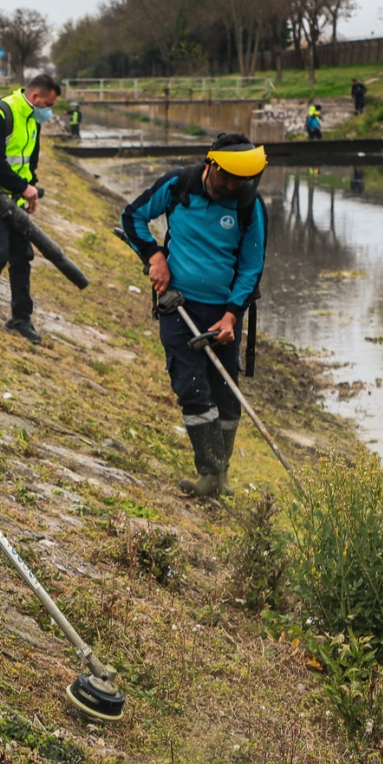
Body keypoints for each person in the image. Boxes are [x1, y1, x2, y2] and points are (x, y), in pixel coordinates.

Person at [121, 134, 267, 499]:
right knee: (193, 387)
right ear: (210, 165)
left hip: (224, 313)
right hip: (178, 305)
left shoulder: (249, 204)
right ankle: (209, 472)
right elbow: (133, 216)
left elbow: (252, 267)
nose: (232, 186)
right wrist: (154, 256)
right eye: (226, 178)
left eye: (240, 181)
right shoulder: (178, 185)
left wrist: (233, 316)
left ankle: (223, 474)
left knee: (226, 392)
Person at [0, 72, 60, 344]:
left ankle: (21, 317)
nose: (49, 113)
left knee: (22, 255)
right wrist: (23, 188)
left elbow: (29, 161)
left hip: (14, 199)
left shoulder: (32, 119)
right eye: (49, 105)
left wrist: (32, 190)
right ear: (35, 97)